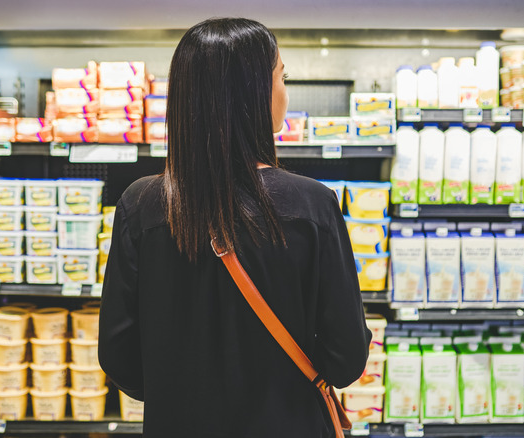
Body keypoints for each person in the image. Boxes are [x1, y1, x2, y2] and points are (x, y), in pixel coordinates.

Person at [99, 17, 371, 437]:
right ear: (255, 93)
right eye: (282, 76)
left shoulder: (141, 204)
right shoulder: (311, 204)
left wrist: (179, 389)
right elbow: (346, 357)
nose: (284, 90)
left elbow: (118, 356)